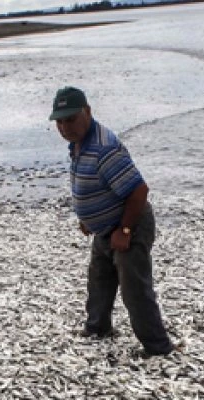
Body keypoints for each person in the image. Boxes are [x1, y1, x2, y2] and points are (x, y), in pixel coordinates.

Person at [49, 87, 174, 356]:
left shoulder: (104, 148)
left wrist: (125, 230)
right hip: (105, 229)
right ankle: (98, 328)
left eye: (70, 119)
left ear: (88, 112)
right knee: (99, 279)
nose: (64, 127)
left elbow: (139, 191)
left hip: (130, 225)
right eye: (60, 121)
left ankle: (158, 348)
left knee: (134, 289)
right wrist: (87, 219)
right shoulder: (80, 143)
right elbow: (91, 183)